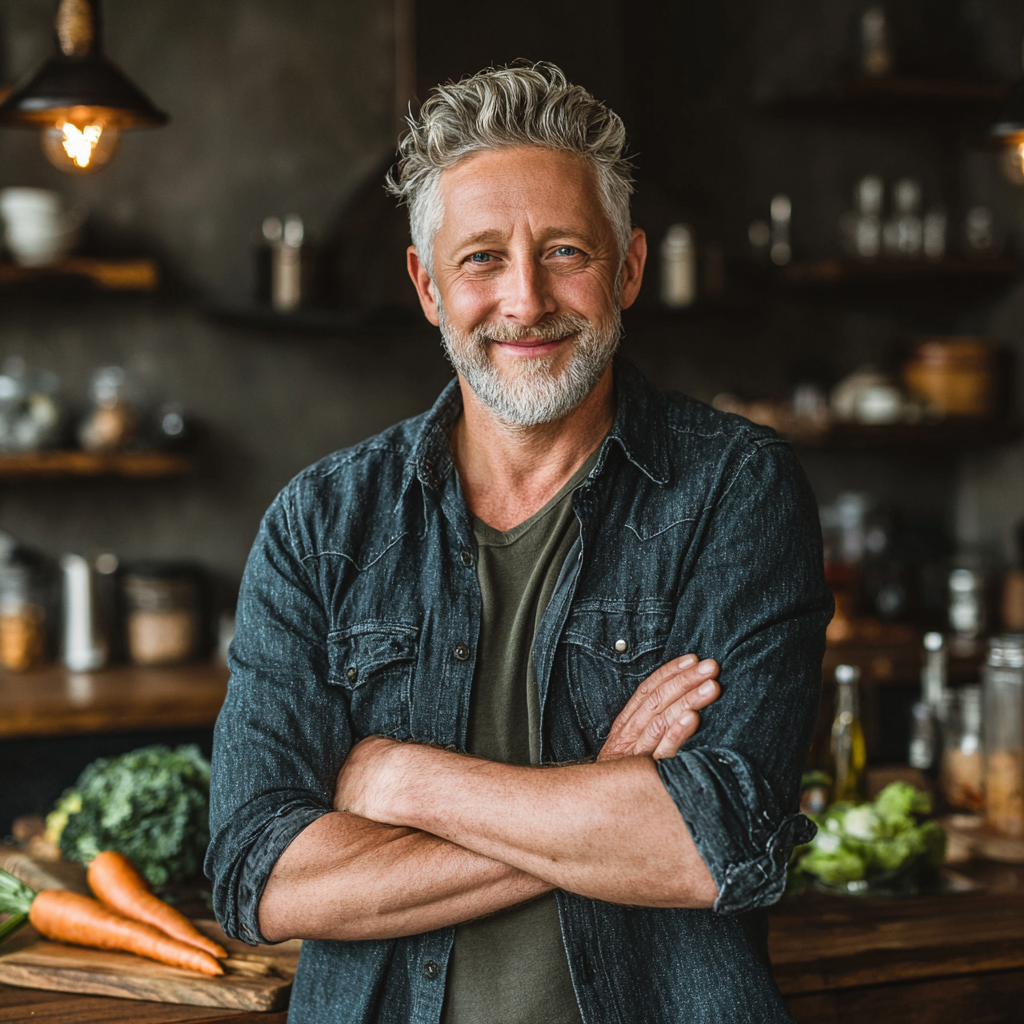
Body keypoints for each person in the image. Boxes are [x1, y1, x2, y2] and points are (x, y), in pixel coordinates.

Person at [208, 62, 833, 1024]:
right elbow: (265, 881)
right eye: (482, 258)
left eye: (567, 251)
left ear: (628, 267)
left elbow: (714, 846)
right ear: (427, 285)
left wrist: (399, 778)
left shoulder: (735, 491)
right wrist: (604, 803)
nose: (527, 299)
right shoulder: (321, 526)